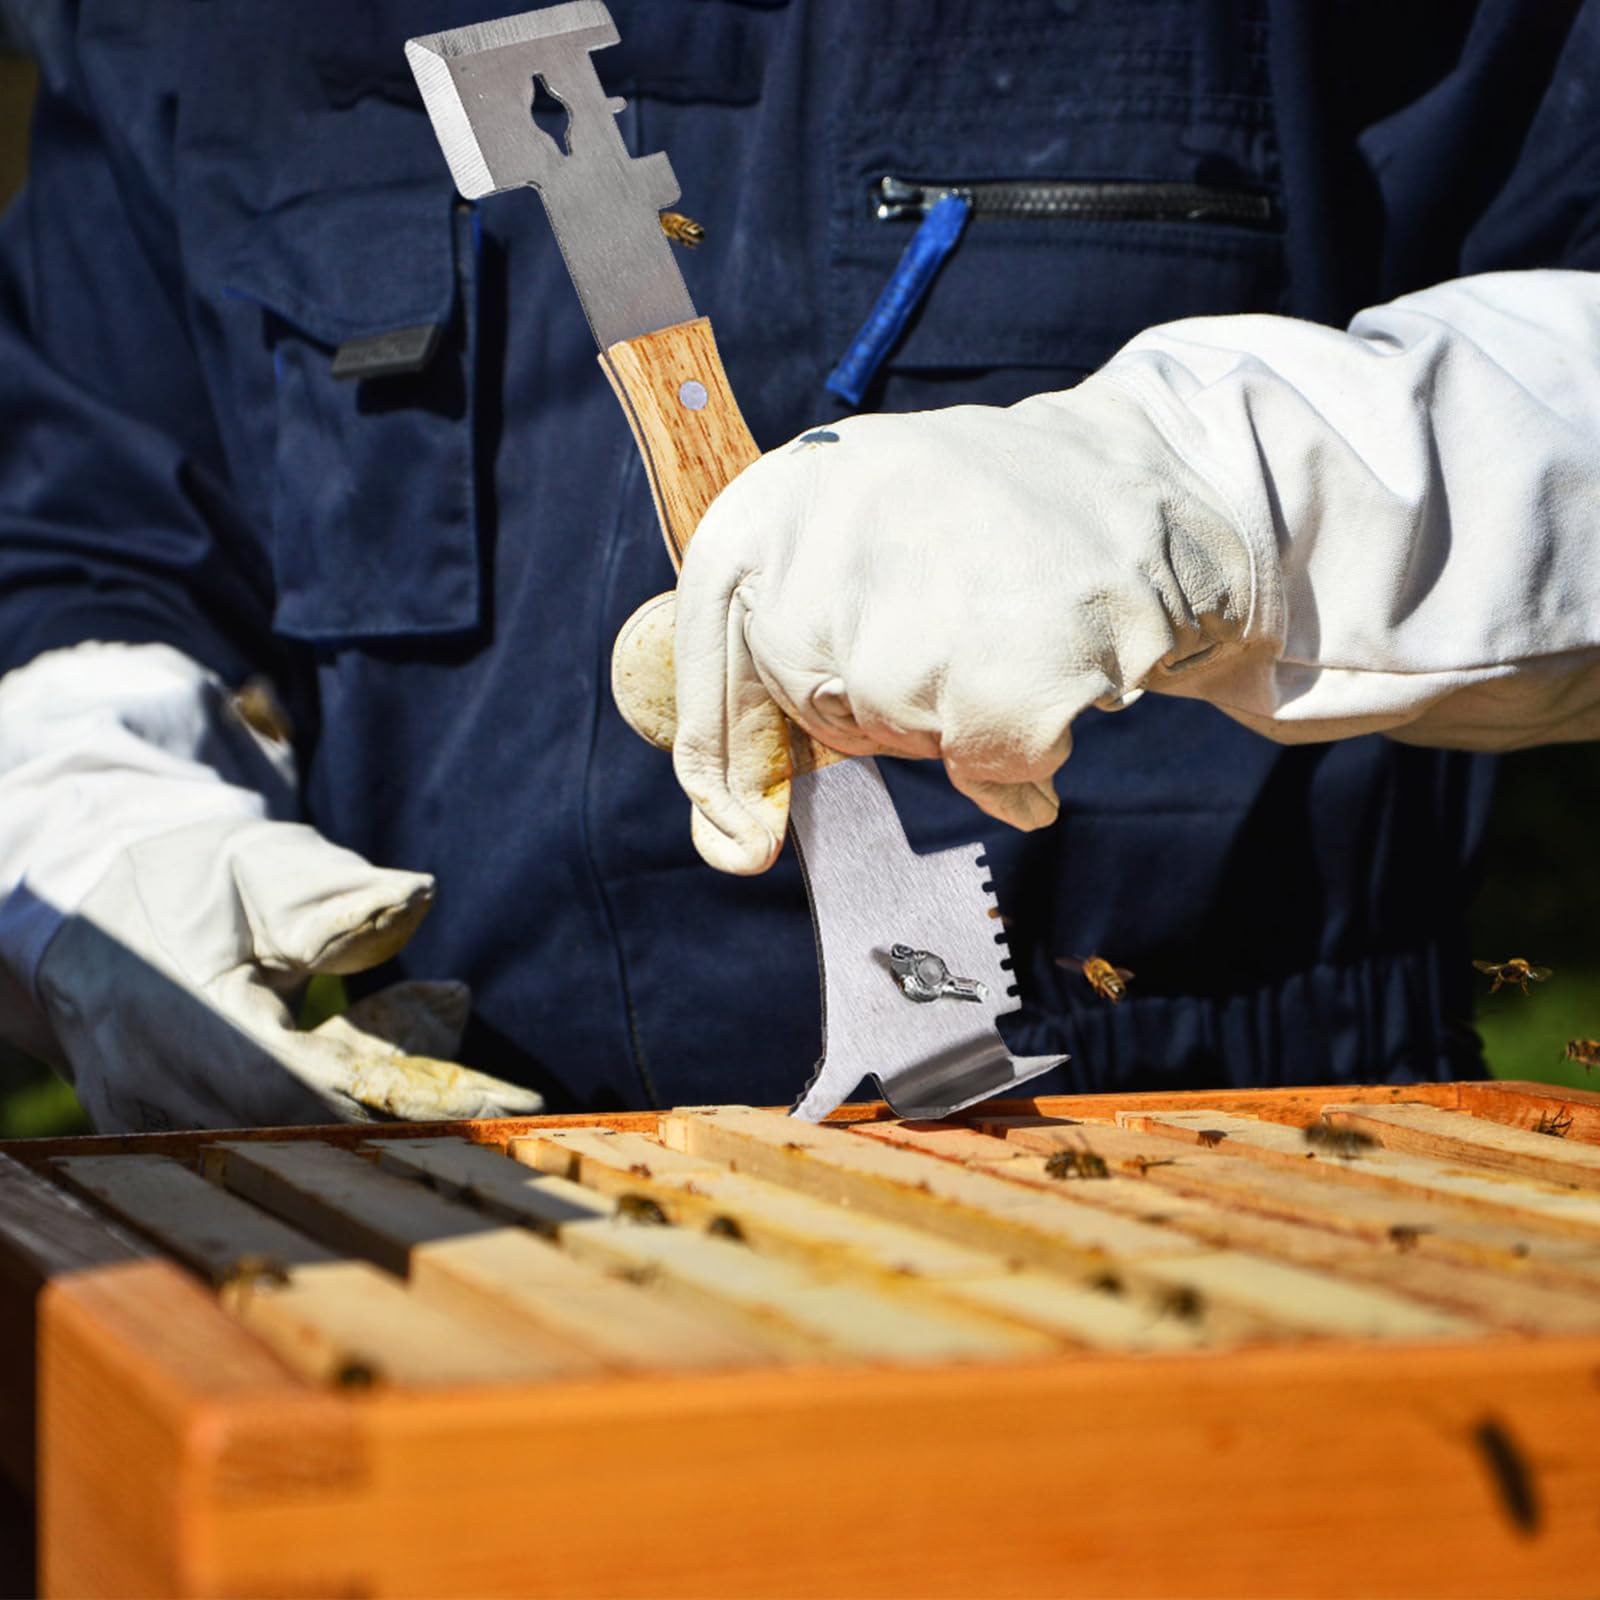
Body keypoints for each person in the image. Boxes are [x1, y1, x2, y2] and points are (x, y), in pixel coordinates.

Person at [0, 0, 1597, 1132]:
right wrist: (101, 830)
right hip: (489, 1187)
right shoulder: (189, 28)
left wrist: (1213, 499)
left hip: (1252, 1128)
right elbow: (71, 530)